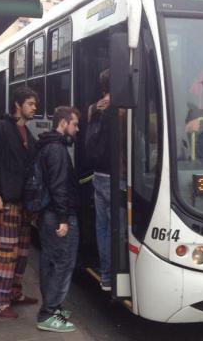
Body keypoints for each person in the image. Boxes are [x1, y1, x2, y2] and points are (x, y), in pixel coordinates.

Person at [0, 86, 39, 319]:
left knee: (20, 253)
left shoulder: (26, 132)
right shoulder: (0, 129)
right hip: (5, 202)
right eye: (31, 104)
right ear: (18, 105)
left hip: (22, 204)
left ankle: (13, 293)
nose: (35, 108)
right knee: (3, 253)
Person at [36, 106, 80, 333]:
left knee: (52, 261)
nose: (77, 128)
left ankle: (54, 308)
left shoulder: (49, 145)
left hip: (50, 214)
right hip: (59, 215)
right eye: (74, 124)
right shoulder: (57, 150)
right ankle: (48, 313)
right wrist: (64, 218)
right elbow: (59, 187)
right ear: (63, 122)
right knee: (62, 263)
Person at [86, 68, 112, 291]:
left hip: (98, 174)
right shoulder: (120, 107)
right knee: (116, 228)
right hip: (116, 176)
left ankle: (105, 276)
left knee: (102, 227)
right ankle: (116, 275)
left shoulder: (93, 108)